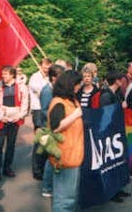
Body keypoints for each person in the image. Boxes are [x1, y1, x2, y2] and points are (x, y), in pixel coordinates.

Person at [48, 70, 84, 212]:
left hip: (74, 156)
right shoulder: (58, 103)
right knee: (64, 200)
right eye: (77, 84)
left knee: (70, 198)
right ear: (69, 84)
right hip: (65, 157)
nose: (79, 87)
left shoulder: (72, 101)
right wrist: (75, 115)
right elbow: (55, 127)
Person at [0, 66, 29, 181]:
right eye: (3, 74)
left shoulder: (22, 87)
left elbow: (25, 102)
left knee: (11, 145)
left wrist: (19, 116)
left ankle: (7, 167)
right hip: (2, 118)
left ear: (12, 75)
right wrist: (1, 116)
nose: (3, 76)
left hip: (15, 118)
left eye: (6, 74)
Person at [99, 71, 130, 202]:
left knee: (118, 161)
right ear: (117, 81)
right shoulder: (106, 95)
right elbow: (106, 115)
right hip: (110, 133)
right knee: (111, 163)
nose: (123, 81)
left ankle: (118, 188)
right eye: (121, 79)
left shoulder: (115, 94)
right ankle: (111, 192)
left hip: (116, 131)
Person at [39, 65, 65, 198]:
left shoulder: (54, 89)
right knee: (51, 160)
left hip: (54, 128)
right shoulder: (47, 91)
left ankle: (51, 185)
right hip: (49, 129)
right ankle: (47, 187)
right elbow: (44, 111)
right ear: (54, 77)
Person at [29, 58, 52, 180]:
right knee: (39, 140)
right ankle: (37, 169)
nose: (46, 69)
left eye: (49, 67)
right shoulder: (35, 77)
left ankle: (43, 167)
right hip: (38, 110)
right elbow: (41, 92)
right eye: (45, 66)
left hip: (47, 109)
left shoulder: (49, 78)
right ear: (40, 65)